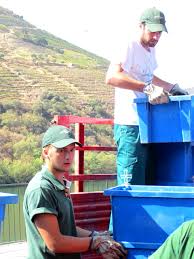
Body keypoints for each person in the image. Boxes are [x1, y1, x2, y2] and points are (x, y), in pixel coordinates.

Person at [106, 7, 188, 187]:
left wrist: (171, 87)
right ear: (141, 26)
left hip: (149, 124)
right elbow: (112, 76)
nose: (156, 37)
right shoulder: (129, 44)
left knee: (148, 184)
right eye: (153, 32)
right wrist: (147, 88)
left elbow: (148, 76)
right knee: (130, 186)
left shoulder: (151, 50)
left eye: (159, 33)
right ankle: (121, 216)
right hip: (130, 125)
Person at [23, 125, 127, 259]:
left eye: (72, 150)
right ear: (45, 152)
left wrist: (95, 235)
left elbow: (67, 229)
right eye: (61, 150)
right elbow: (55, 243)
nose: (68, 156)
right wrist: (95, 242)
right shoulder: (41, 189)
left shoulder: (59, 184)